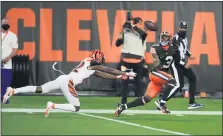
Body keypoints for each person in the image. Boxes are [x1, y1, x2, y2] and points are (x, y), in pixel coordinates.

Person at [3, 49, 136, 117]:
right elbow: (107, 69)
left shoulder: (89, 64)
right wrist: (124, 73)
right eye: (101, 59)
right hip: (68, 82)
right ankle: (52, 105)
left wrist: (118, 77)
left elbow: (102, 74)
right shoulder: (93, 62)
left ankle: (13, 90)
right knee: (76, 107)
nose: (101, 61)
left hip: (64, 79)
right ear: (98, 58)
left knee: (40, 89)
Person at [115, 31, 178, 116]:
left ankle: (123, 107)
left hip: (161, 76)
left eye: (166, 38)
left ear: (169, 40)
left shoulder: (173, 48)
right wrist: (159, 58)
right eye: (162, 37)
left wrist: (176, 49)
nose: (163, 39)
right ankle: (162, 103)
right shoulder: (155, 47)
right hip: (156, 72)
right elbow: (156, 61)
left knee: (146, 99)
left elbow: (178, 58)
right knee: (172, 81)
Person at [155, 21, 203, 110]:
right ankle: (161, 101)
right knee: (178, 85)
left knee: (193, 78)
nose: (183, 30)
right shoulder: (175, 39)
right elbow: (176, 57)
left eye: (185, 28)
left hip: (182, 62)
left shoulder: (184, 38)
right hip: (176, 64)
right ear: (179, 28)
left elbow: (183, 49)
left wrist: (189, 54)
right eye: (182, 28)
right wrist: (184, 64)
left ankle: (191, 103)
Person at [116, 16, 148, 105]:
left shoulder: (142, 33)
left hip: (138, 59)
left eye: (137, 23)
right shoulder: (125, 32)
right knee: (124, 80)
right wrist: (120, 37)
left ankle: (140, 100)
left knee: (138, 80)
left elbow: (143, 34)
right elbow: (117, 44)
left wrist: (132, 26)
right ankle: (123, 101)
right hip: (126, 58)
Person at [1, 17, 18, 104]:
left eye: (7, 23)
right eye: (4, 23)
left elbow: (15, 49)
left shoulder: (13, 35)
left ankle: (4, 97)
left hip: (7, 63)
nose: (5, 25)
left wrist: (7, 58)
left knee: (6, 81)